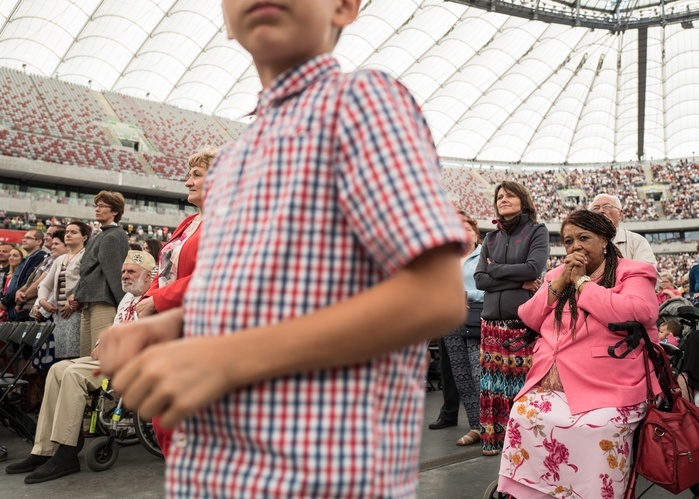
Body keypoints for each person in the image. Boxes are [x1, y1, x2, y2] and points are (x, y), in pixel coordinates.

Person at [97, 1, 469, 497]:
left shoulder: (362, 99)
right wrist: (168, 326)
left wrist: (227, 359)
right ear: (228, 22)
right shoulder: (230, 163)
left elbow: (433, 296)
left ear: (344, 7)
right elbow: (235, 300)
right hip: (213, 465)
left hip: (322, 470)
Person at [496, 210, 661, 498]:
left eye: (584, 238)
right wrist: (559, 285)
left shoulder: (633, 270)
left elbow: (640, 312)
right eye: (569, 241)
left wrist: (583, 283)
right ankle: (537, 492)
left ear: (605, 241)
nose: (576, 246)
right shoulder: (557, 274)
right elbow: (528, 316)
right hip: (557, 380)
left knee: (597, 427)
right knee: (523, 414)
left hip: (614, 382)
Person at [4, 251, 155, 484]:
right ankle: (43, 450)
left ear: (148, 276)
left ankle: (67, 453)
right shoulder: (126, 298)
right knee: (57, 369)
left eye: (131, 272)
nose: (124, 276)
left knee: (73, 373)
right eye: (123, 271)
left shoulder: (153, 300)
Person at [135, 146, 218, 457]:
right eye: (188, 174)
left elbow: (215, 273)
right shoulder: (188, 221)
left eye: (196, 174)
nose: (187, 181)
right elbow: (163, 267)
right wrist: (148, 298)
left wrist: (158, 299)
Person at [474, 181, 549, 456]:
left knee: (522, 384)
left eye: (509, 195)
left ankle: (525, 442)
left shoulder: (536, 231)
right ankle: (494, 441)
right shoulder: (490, 238)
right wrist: (518, 283)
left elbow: (533, 267)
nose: (503, 199)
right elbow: (480, 279)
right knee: (493, 385)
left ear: (523, 199)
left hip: (522, 324)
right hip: (491, 324)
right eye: (499, 196)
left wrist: (497, 270)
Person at [69, 191, 129, 356]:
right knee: (86, 358)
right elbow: (86, 271)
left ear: (115, 211)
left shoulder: (113, 236)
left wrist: (122, 305)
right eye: (96, 206)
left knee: (99, 359)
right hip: (89, 302)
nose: (97, 209)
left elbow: (115, 274)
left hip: (104, 303)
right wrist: (77, 294)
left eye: (102, 206)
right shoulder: (100, 236)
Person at [443, 211, 484, 446]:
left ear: (476, 235)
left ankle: (491, 425)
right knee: (462, 377)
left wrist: (468, 294)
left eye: (468, 229)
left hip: (475, 317)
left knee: (479, 374)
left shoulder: (484, 257)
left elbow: (491, 290)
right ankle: (475, 426)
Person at [36, 222, 91, 359]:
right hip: (59, 314)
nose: (68, 235)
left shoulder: (86, 256)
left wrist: (74, 300)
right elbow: (45, 284)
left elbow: (87, 281)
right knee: (62, 356)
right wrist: (43, 301)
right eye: (67, 232)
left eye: (73, 232)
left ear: (84, 237)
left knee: (76, 355)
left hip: (77, 311)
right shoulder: (60, 259)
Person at [588, 194, 657, 268]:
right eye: (595, 208)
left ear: (620, 214)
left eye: (606, 207)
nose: (600, 211)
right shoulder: (582, 242)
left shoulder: (637, 242)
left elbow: (648, 273)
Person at [2, 230, 47, 321]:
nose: (24, 240)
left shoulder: (39, 257)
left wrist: (5, 301)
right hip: (15, 306)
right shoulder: (29, 258)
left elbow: (26, 282)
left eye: (28, 238)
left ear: (39, 241)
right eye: (24, 238)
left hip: (24, 306)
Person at [0, 246, 26, 322]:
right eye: (10, 255)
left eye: (15, 256)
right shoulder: (9, 276)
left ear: (23, 258)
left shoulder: (23, 275)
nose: (10, 258)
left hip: (17, 312)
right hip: (8, 314)